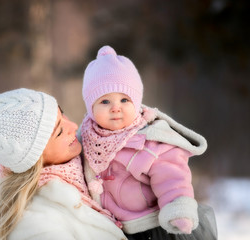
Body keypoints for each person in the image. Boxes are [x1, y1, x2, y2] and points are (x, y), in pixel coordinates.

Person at [0, 88, 128, 240]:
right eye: (59, 131)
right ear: (35, 159)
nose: (73, 125)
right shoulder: (37, 227)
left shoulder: (90, 168)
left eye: (62, 113)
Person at [80, 46, 217, 239]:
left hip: (151, 227)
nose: (115, 108)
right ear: (90, 107)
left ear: (136, 103)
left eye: (124, 100)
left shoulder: (149, 140)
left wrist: (177, 208)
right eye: (104, 102)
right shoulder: (85, 139)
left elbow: (171, 177)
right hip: (109, 229)